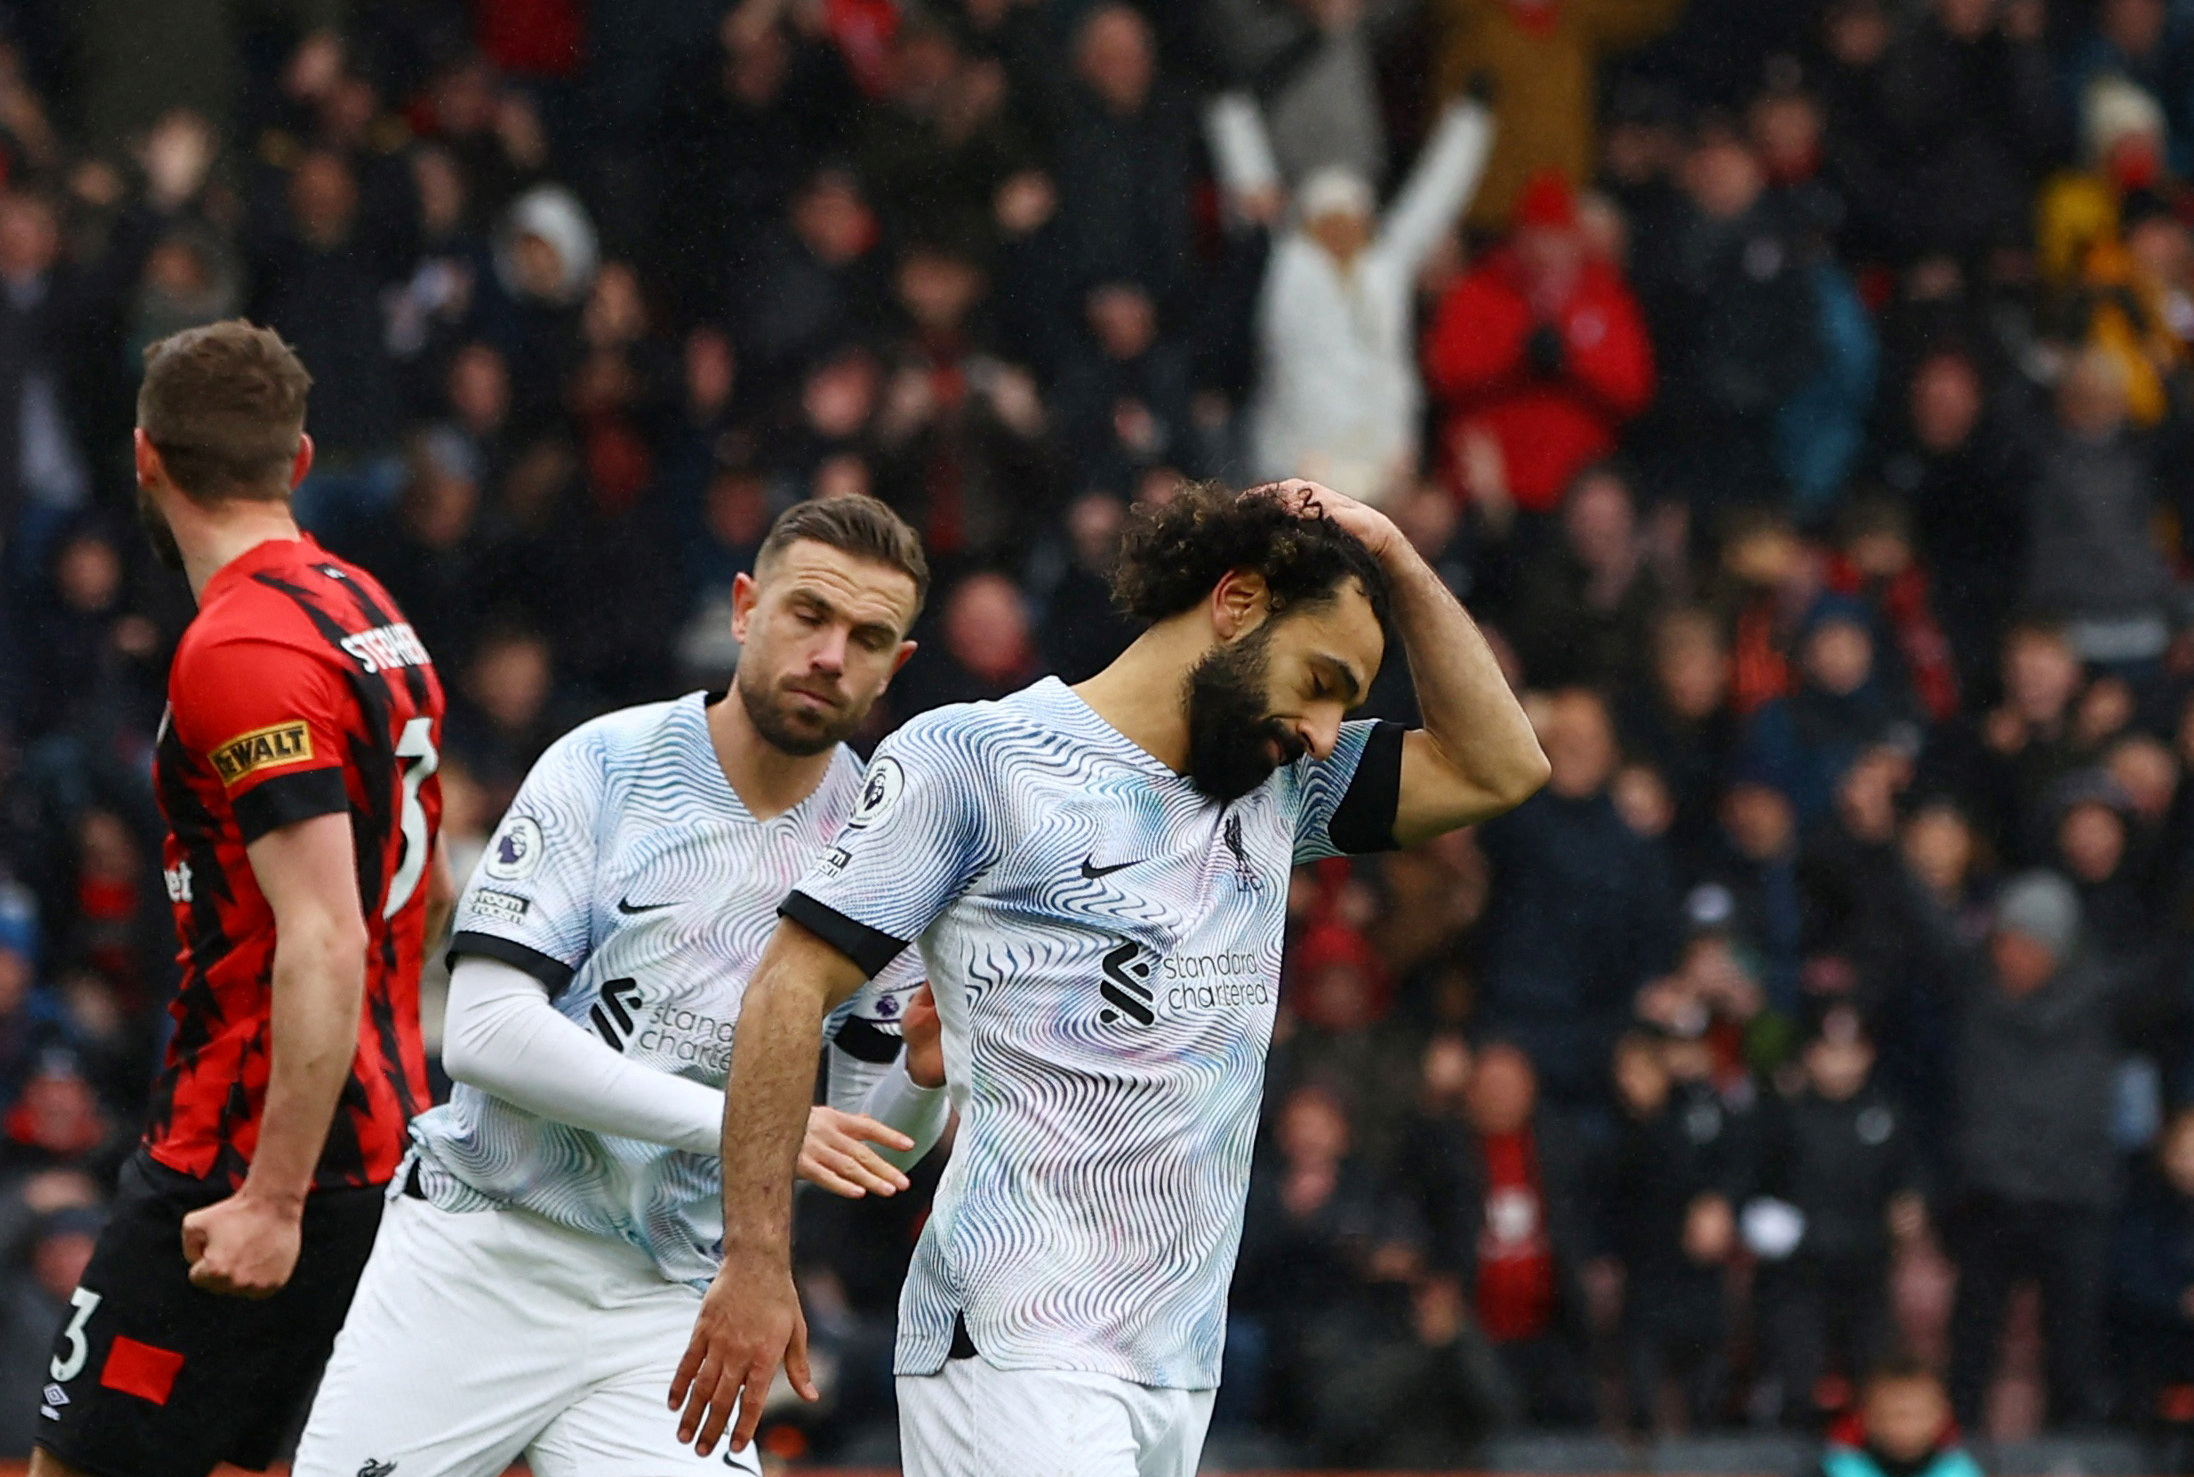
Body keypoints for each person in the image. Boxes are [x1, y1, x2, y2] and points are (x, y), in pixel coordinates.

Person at [675, 478, 1549, 1472]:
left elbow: (1499, 766)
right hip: (1014, 1341)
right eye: (1320, 678)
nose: (1320, 728)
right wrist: (754, 1257)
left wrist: (1390, 553)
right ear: (1237, 603)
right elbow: (787, 986)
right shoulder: (978, 758)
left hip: (1174, 1362)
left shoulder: (1277, 789)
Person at [292, 498, 955, 1476]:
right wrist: (744, 1125)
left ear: (894, 666)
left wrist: (926, 1073)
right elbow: (484, 1032)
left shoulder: (883, 839)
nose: (829, 655)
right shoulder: (605, 763)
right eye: (807, 615)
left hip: (671, 1294)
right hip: (481, 1249)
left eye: (865, 638)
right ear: (744, 608)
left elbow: (864, 1138)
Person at [34, 320, 450, 1477]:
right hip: (378, 1148)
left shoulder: (241, 646)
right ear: (300, 459)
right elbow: (426, 895)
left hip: (248, 1159)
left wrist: (270, 1197)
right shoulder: (372, 613)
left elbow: (322, 932)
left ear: (144, 458)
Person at [1817, 1357, 1983, 1477]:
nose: (1906, 1424)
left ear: (1942, 1415)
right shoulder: (1838, 1468)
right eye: (1896, 1414)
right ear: (1866, 1416)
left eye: (1918, 1414)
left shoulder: (1960, 1471)